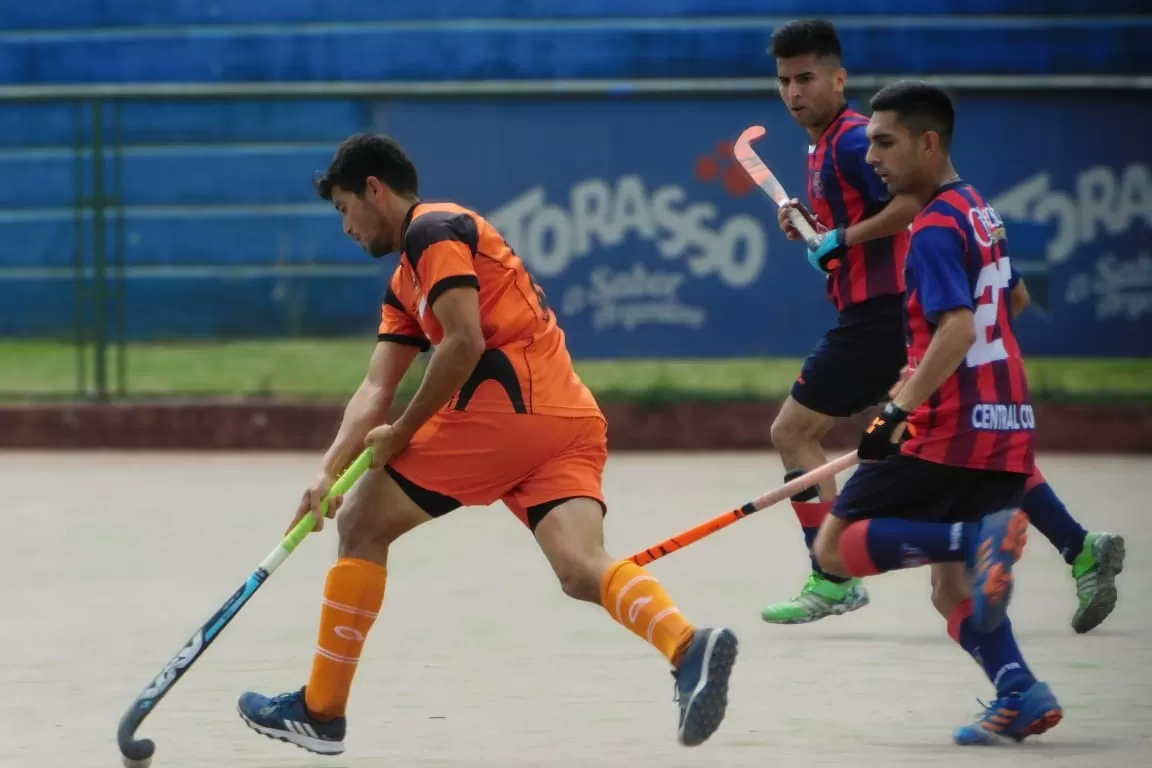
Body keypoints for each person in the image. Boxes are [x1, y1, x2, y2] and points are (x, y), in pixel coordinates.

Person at [232, 134, 738, 755]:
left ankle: (321, 710)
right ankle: (688, 647)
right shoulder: (405, 283)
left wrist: (406, 432)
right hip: (566, 419)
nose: (345, 228)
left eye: (344, 209)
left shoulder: (434, 228)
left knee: (363, 522)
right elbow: (374, 387)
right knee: (581, 569)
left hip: (505, 412)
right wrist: (325, 473)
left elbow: (465, 343)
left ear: (374, 190)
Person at [761, 19, 1124, 633]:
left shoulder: (855, 140)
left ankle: (832, 575)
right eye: (784, 81)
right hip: (897, 321)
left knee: (794, 430)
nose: (794, 92)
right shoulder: (833, 146)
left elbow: (910, 206)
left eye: (807, 78)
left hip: (880, 318)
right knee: (971, 449)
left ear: (839, 78)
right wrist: (820, 228)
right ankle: (1077, 549)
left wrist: (841, 238)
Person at [812, 79, 1063, 744]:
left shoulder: (929, 231)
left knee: (834, 549)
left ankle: (971, 543)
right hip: (1008, 423)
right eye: (870, 146)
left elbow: (956, 329)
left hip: (951, 432)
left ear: (929, 143)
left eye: (887, 145)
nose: (873, 160)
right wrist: (925, 359)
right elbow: (1008, 307)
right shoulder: (980, 210)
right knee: (950, 594)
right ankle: (1021, 692)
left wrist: (895, 408)